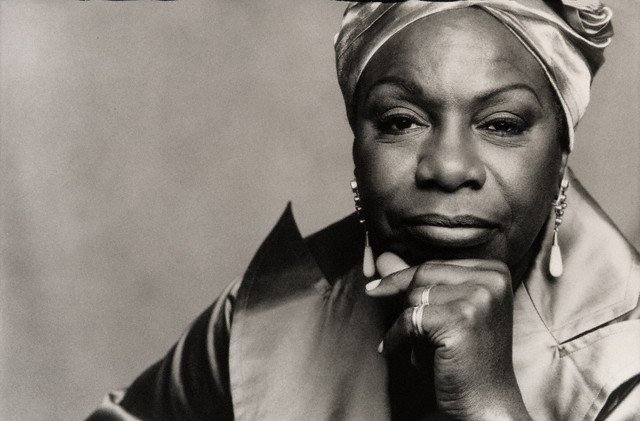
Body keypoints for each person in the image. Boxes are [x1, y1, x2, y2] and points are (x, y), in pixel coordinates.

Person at [88, 0, 640, 419]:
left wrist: (489, 405)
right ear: (358, 146)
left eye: (501, 124)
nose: (448, 167)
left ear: (560, 156)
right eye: (401, 121)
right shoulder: (266, 317)